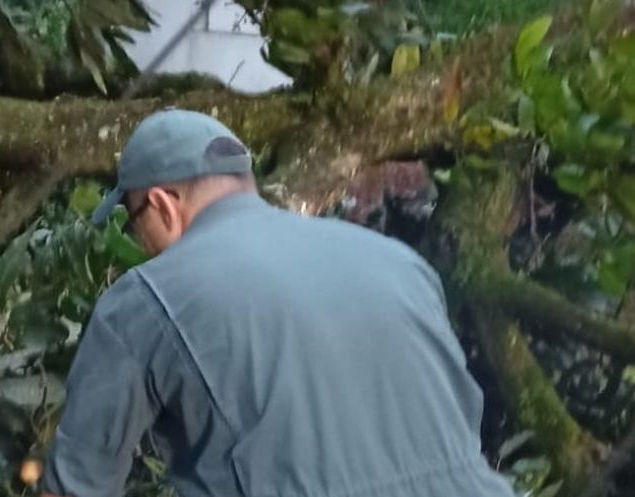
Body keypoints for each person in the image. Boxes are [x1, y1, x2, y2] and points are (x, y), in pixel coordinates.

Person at [40, 109, 515, 497]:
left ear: (163, 205)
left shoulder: (145, 299)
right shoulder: (401, 264)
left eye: (134, 221)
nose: (141, 243)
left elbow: (76, 487)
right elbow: (464, 424)